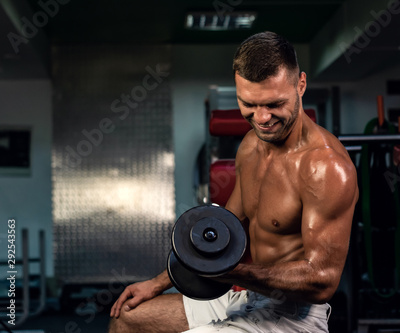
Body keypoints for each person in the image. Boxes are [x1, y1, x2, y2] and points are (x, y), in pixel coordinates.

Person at [108, 31, 358, 333]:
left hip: (295, 316)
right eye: (249, 104)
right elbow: (228, 225)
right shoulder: (252, 145)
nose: (262, 118)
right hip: (248, 294)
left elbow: (322, 281)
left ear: (300, 85)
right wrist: (159, 282)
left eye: (274, 104)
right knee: (127, 319)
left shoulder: (325, 167)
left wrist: (231, 272)